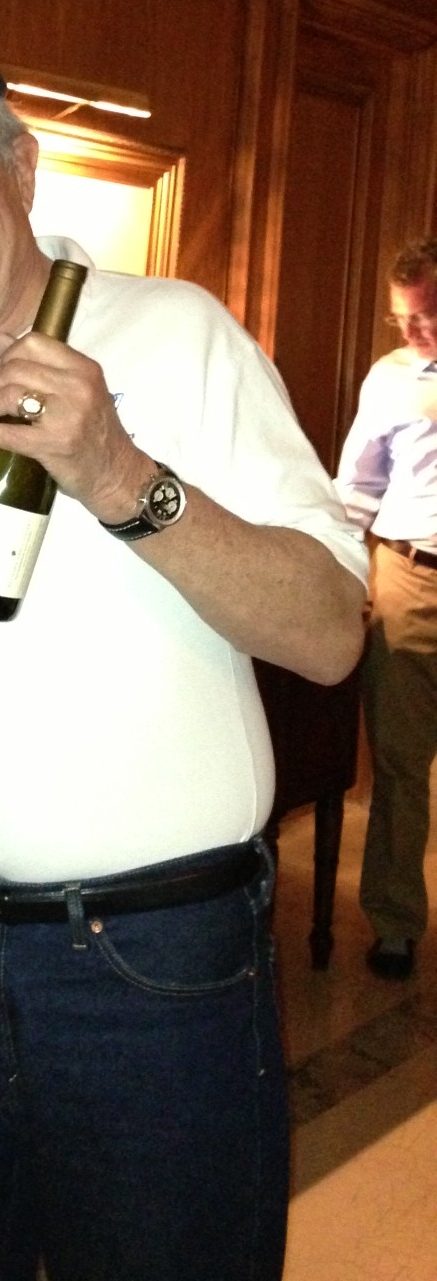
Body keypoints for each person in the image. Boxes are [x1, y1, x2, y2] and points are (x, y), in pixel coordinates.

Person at [0, 40, 368, 1281]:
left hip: (148, 964)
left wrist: (120, 475)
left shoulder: (179, 333)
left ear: (21, 166)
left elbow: (327, 635)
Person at [335, 237, 437, 983]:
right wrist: (341, 574)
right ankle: (396, 923)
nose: (412, 331)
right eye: (401, 317)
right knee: (400, 763)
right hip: (408, 576)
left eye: (427, 316)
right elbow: (357, 488)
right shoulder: (391, 378)